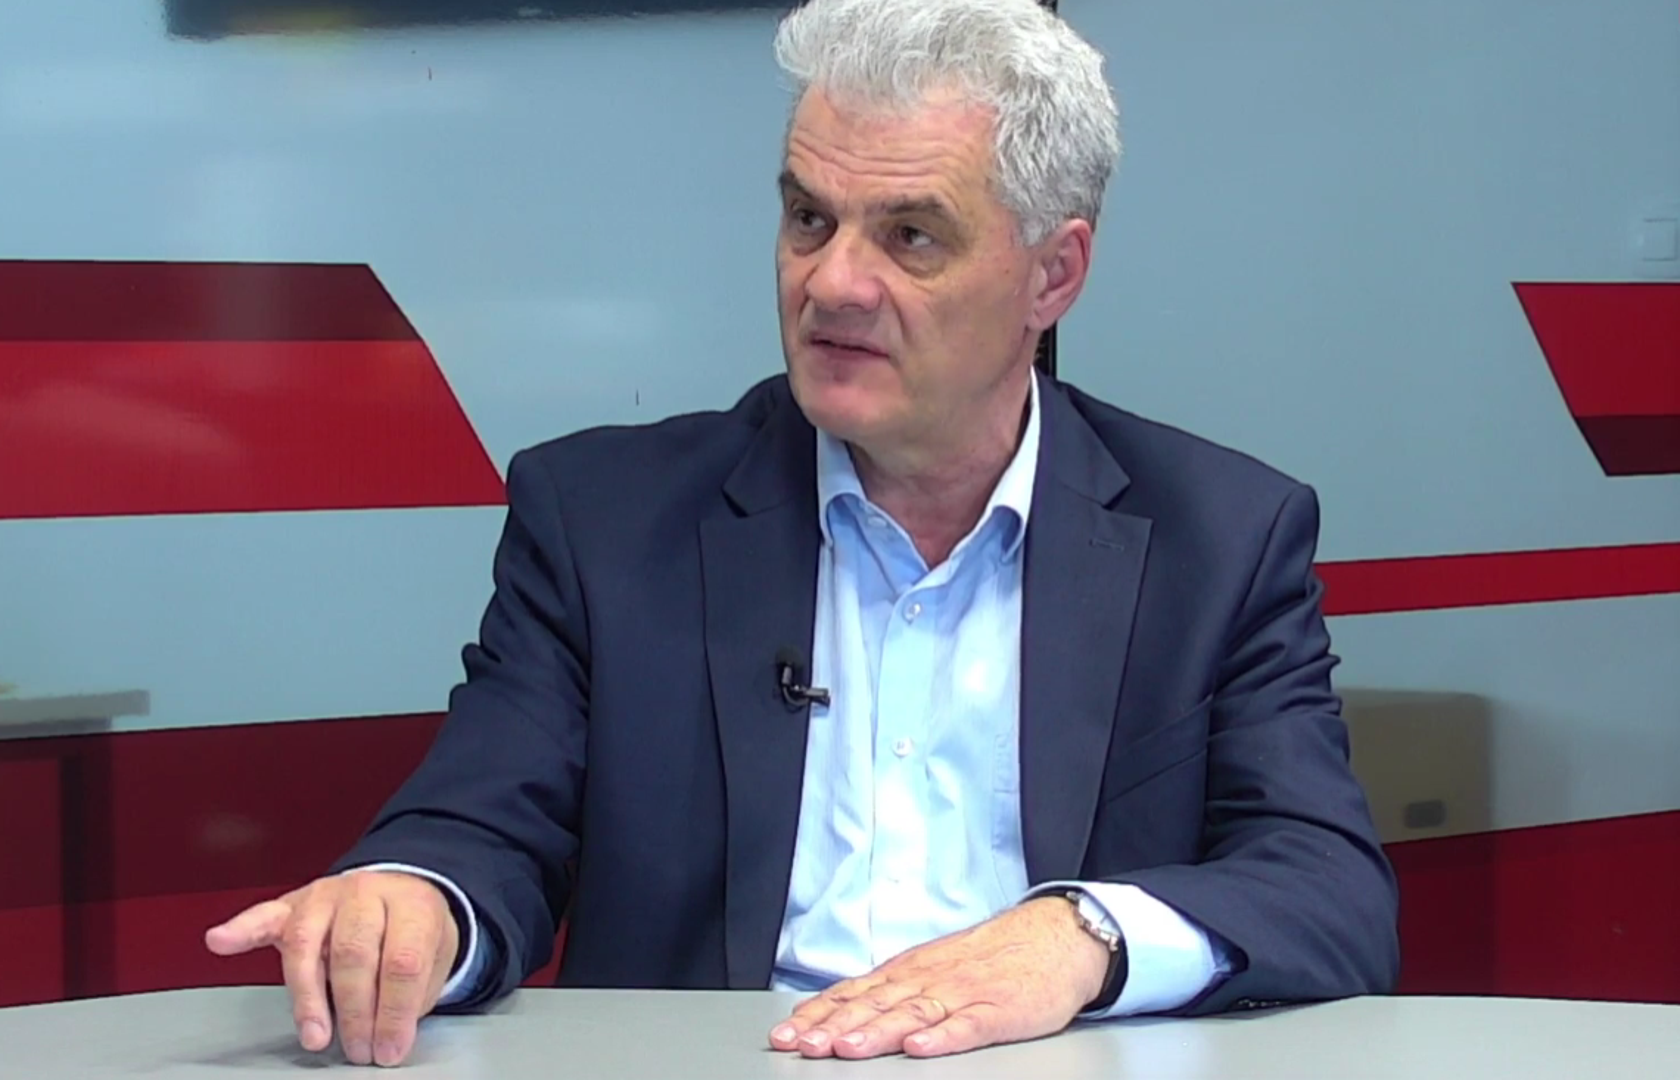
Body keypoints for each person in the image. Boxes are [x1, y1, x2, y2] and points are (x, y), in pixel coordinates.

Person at [206, 0, 1399, 1067]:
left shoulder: (1219, 538)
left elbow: (1327, 887)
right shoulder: (606, 523)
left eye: (910, 236)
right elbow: (480, 823)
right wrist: (414, 902)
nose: (832, 283)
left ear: (1053, 275)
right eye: (809, 218)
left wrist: (1079, 936)